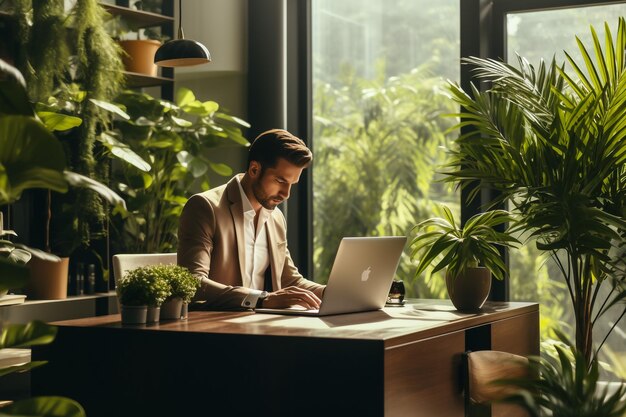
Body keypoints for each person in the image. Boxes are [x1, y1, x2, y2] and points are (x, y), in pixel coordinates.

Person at [177, 129, 325, 310]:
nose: (286, 194)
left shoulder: (276, 217)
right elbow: (192, 282)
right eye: (280, 181)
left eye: (291, 184)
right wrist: (261, 299)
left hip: (262, 326)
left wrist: (334, 293)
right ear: (254, 169)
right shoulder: (205, 207)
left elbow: (289, 280)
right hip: (216, 327)